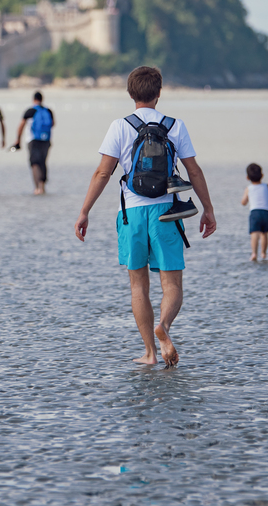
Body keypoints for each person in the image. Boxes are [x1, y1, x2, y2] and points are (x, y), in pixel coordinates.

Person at [73, 66, 216, 368]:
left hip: (132, 213)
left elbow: (103, 172)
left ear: (130, 93)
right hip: (167, 211)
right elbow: (194, 171)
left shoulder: (120, 126)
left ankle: (150, 353)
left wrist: (85, 211)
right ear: (159, 92)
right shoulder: (175, 125)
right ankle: (164, 324)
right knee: (172, 284)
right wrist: (208, 209)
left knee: (138, 286)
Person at [14, 92, 54, 195]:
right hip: (46, 140)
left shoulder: (30, 111)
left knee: (34, 163)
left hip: (33, 140)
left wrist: (18, 139)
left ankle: (37, 188)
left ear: (33, 99)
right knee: (43, 161)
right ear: (42, 99)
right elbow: (53, 124)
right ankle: (43, 186)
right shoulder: (48, 111)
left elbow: (21, 126)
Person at [241, 163, 268, 262]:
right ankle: (263, 253)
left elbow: (243, 202)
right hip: (266, 213)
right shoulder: (267, 186)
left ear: (247, 177)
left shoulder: (248, 188)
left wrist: (245, 200)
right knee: (264, 234)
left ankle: (254, 253)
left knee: (254, 234)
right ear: (262, 175)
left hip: (255, 213)